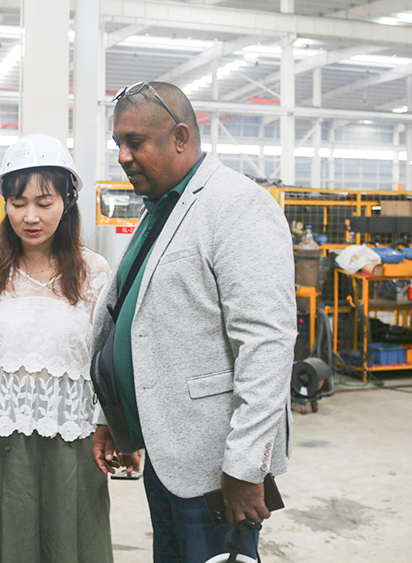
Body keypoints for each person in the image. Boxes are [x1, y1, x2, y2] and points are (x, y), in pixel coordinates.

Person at [91, 81, 296, 563]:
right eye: (117, 143)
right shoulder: (162, 208)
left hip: (217, 468)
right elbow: (134, 322)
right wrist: (112, 417)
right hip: (168, 452)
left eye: (134, 142)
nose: (122, 156)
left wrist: (246, 466)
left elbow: (267, 343)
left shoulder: (237, 206)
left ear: (180, 137)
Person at [0, 134, 116, 563]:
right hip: (3, 436)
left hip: (74, 436)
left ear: (67, 200)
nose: (30, 216)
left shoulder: (94, 271)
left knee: (71, 539)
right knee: (6, 540)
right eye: (18, 203)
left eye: (44, 201)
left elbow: (108, 356)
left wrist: (110, 423)